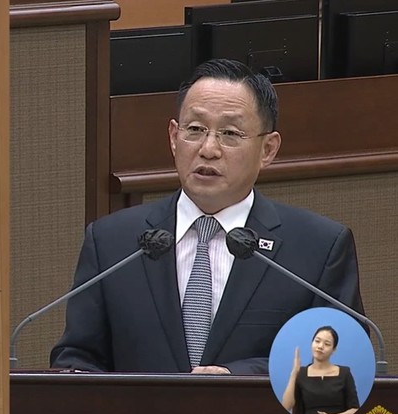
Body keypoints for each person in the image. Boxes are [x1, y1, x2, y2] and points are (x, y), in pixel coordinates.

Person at [50, 58, 365, 375]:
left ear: (268, 149)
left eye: (230, 133)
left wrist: (238, 378)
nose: (208, 149)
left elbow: (343, 360)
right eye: (195, 130)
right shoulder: (112, 242)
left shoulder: (317, 248)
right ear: (173, 137)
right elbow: (77, 357)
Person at [281, 326, 359, 414]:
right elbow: (286, 406)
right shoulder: (301, 373)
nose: (320, 346)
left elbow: (355, 410)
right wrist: (294, 373)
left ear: (334, 349)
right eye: (317, 341)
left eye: (327, 344)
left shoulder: (344, 373)